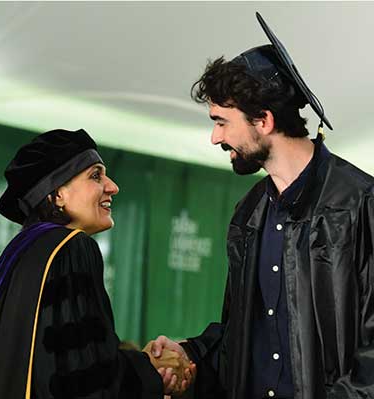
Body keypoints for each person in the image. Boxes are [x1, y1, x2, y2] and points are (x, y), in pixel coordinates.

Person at [151, 12, 374, 399]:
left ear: (264, 121)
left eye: (222, 121)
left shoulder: (359, 203)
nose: (214, 137)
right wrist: (188, 355)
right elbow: (241, 333)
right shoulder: (248, 215)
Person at [0, 128, 192, 398]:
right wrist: (151, 372)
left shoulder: (14, 258)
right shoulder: (69, 247)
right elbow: (85, 374)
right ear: (57, 195)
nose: (113, 186)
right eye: (95, 175)